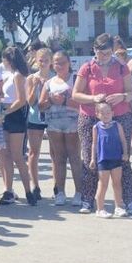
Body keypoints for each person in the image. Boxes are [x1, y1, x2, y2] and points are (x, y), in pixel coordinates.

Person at [73, 34, 132, 215]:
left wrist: (122, 96)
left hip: (119, 117)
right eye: (101, 53)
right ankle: (88, 200)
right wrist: (92, 98)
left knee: (123, 158)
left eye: (108, 53)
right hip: (90, 118)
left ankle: (129, 201)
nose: (104, 57)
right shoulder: (87, 68)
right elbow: (75, 95)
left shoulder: (121, 67)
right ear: (94, 50)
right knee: (89, 159)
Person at [42, 51, 83, 207]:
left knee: (74, 157)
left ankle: (79, 192)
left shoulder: (75, 80)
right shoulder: (49, 82)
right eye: (56, 63)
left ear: (69, 63)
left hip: (73, 122)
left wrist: (65, 100)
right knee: (58, 158)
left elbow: (83, 104)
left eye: (62, 62)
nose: (59, 66)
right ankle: (60, 192)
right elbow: (41, 105)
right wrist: (51, 100)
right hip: (54, 123)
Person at [0, 47, 36, 206]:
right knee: (5, 155)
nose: (3, 62)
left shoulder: (18, 75)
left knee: (17, 155)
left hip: (15, 115)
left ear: (9, 60)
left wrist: (5, 113)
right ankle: (9, 190)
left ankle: (28, 191)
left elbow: (21, 100)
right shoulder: (9, 75)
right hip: (6, 112)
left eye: (4, 59)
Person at [89, 102, 130, 218]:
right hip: (103, 160)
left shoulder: (117, 125)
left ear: (112, 113)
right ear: (97, 114)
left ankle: (118, 207)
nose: (106, 115)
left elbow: (123, 140)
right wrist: (93, 158)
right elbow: (94, 144)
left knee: (117, 183)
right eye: (102, 113)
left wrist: (125, 153)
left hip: (116, 158)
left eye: (108, 112)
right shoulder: (96, 127)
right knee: (103, 184)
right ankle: (100, 209)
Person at [25, 48, 52, 203]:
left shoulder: (54, 77)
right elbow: (29, 101)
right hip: (35, 118)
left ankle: (58, 187)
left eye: (46, 60)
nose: (43, 63)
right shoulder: (31, 78)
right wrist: (35, 86)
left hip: (51, 117)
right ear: (36, 60)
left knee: (56, 154)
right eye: (40, 60)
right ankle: (35, 185)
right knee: (34, 152)